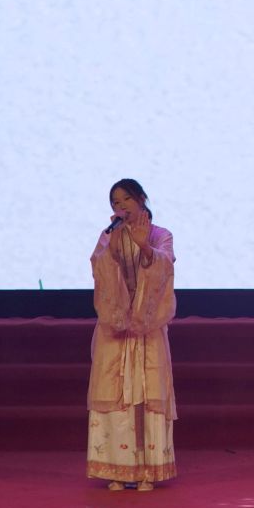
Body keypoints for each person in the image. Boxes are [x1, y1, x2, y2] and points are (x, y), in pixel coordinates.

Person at [86, 178, 177, 490]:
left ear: (141, 199)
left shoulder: (161, 235)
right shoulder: (108, 235)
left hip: (147, 329)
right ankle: (117, 469)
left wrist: (144, 247)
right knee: (116, 397)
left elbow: (164, 268)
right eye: (115, 202)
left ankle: (148, 472)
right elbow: (99, 271)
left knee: (145, 397)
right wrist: (112, 251)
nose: (121, 206)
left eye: (126, 199)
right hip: (116, 329)